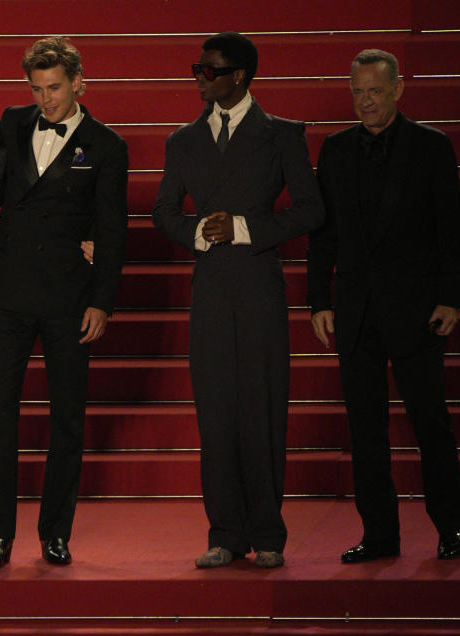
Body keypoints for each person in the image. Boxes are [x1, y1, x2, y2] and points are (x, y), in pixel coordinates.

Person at [152, 32, 324, 569]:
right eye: (197, 68)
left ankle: (268, 533)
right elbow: (163, 212)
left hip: (259, 289)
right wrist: (199, 231)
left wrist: (248, 228)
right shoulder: (183, 141)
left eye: (209, 69)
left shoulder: (282, 136)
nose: (199, 77)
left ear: (240, 77)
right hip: (210, 291)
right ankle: (224, 532)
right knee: (216, 413)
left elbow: (311, 211)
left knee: (263, 409)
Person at [307, 49, 460, 563]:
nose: (365, 102)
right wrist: (318, 300)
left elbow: (451, 230)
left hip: (417, 311)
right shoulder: (333, 151)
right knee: (366, 432)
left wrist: (450, 297)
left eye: (375, 91)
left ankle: (451, 527)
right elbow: (323, 235)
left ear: (398, 89)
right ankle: (380, 535)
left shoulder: (432, 147)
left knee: (430, 424)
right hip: (355, 313)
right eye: (357, 92)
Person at [0, 36, 128, 569]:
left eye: (55, 88)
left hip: (69, 299)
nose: (46, 100)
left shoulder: (107, 145)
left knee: (67, 419)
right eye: (37, 89)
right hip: (10, 295)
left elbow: (111, 230)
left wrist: (101, 302)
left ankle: (55, 533)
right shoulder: (12, 123)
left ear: (78, 82)